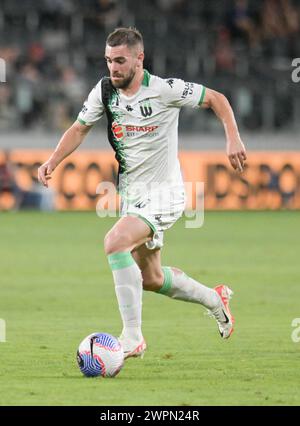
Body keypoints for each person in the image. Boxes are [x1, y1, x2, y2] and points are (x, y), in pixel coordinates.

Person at [38, 27, 247, 359]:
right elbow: (79, 128)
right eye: (108, 61)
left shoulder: (165, 90)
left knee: (114, 242)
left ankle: (132, 337)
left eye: (120, 60)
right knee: (149, 278)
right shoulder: (105, 91)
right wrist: (53, 160)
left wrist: (232, 137)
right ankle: (214, 299)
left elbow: (217, 99)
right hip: (132, 197)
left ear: (139, 58)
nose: (113, 68)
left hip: (166, 193)